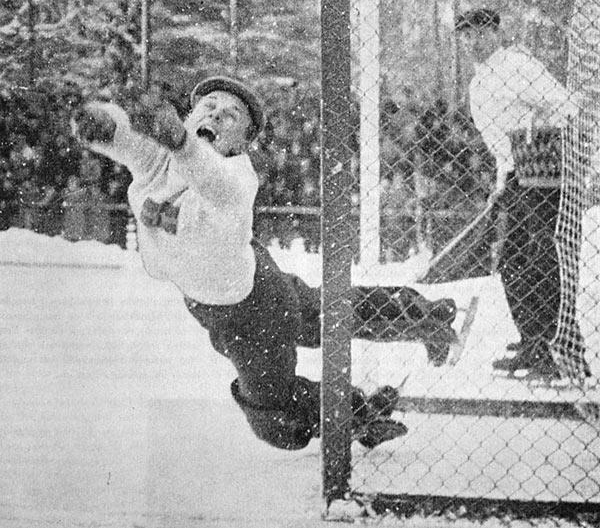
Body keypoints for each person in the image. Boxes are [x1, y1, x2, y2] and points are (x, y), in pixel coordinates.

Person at [73, 75, 458, 451]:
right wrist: (97, 122)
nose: (216, 116)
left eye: (231, 115)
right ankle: (421, 318)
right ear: (190, 117)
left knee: (274, 415)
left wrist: (180, 141)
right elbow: (121, 139)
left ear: (243, 142)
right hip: (247, 281)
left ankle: (356, 411)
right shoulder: (158, 161)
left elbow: (210, 180)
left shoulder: (236, 175)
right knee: (322, 315)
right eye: (208, 107)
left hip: (246, 312)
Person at [457, 9, 589, 379]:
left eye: (480, 33)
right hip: (516, 175)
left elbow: (566, 106)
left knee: (540, 257)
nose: (473, 42)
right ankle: (534, 340)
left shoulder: (517, 66)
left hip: (544, 174)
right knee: (512, 260)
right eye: (466, 36)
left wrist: (536, 130)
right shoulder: (479, 80)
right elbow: (501, 145)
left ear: (497, 32)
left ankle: (557, 345)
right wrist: (501, 183)